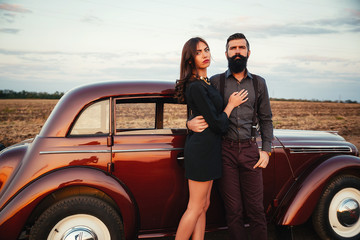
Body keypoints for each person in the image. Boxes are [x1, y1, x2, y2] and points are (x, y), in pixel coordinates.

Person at [187, 33, 273, 240]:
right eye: (232, 48)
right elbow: (200, 108)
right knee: (233, 211)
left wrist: (267, 150)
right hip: (224, 151)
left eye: (241, 48)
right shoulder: (215, 82)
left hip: (250, 150)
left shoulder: (259, 84)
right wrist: (189, 123)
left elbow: (266, 119)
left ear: (248, 52)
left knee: (256, 210)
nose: (237, 52)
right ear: (226, 53)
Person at [174, 37, 248, 240]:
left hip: (209, 149)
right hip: (201, 151)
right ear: (190, 60)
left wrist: (189, 122)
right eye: (198, 52)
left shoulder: (207, 83)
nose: (205, 55)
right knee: (195, 206)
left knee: (203, 205)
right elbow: (219, 124)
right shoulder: (196, 86)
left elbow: (202, 113)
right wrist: (231, 105)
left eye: (206, 50)